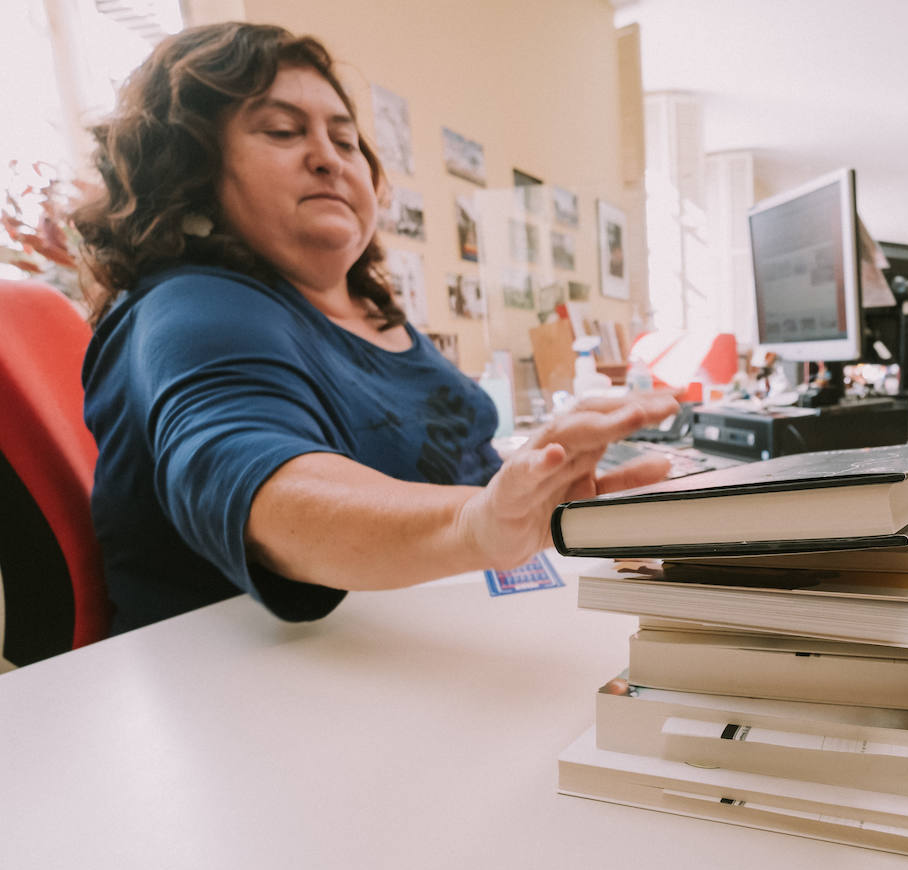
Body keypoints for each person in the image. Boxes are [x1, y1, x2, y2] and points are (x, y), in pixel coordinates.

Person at [74, 22, 676, 635]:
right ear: (189, 170)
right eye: (282, 131)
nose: (329, 156)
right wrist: (480, 522)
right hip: (271, 690)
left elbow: (457, 469)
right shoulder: (193, 305)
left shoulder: (373, 316)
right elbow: (260, 488)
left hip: (446, 631)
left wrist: (545, 497)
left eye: (345, 138)